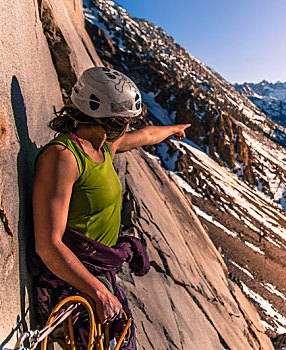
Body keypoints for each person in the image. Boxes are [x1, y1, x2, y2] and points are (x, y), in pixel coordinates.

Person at [32, 66, 190, 346]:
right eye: (126, 120)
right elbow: (48, 244)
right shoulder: (63, 158)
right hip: (75, 280)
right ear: (112, 121)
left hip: (97, 272)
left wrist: (173, 130)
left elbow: (146, 136)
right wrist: (98, 291)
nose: (130, 126)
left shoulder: (102, 147)